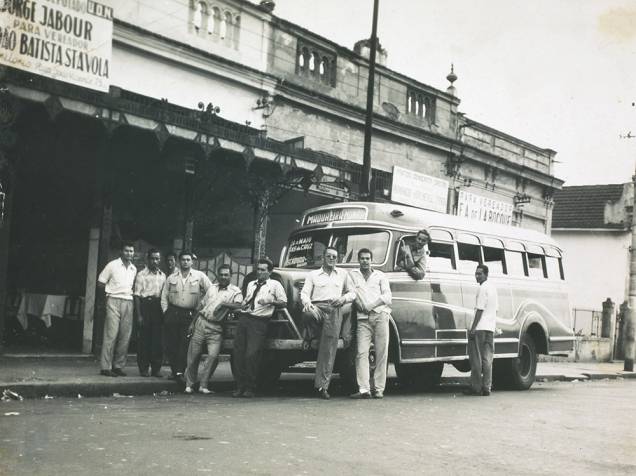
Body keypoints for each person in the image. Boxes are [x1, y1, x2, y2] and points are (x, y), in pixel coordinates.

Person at [232, 257, 287, 398]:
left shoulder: (275, 285)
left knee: (251, 354)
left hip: (259, 322)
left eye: (263, 270)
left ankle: (250, 387)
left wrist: (271, 301)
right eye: (258, 269)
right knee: (238, 354)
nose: (259, 272)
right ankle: (240, 386)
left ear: (270, 272)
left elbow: (284, 302)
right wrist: (242, 306)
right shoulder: (251, 284)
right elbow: (247, 299)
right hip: (244, 319)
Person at [184, 264, 243, 394]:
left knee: (213, 356)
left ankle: (203, 385)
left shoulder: (235, 291)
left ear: (230, 276)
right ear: (217, 275)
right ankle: (189, 384)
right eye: (221, 274)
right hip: (201, 322)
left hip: (217, 327)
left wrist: (224, 304)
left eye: (226, 275)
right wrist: (192, 324)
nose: (223, 277)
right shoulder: (211, 288)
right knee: (193, 356)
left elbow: (240, 305)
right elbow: (201, 307)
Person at [300, 247, 350, 400]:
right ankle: (309, 335)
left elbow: (352, 292)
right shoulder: (313, 274)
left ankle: (322, 386)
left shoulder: (343, 274)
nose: (331, 259)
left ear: (338, 259)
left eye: (334, 257)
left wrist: (343, 299)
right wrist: (308, 303)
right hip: (317, 307)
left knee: (328, 349)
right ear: (323, 258)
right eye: (328, 256)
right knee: (307, 313)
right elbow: (304, 293)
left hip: (334, 309)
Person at [345, 248, 392, 399]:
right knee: (361, 353)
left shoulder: (380, 275)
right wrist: (360, 306)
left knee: (381, 353)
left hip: (380, 316)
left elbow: (387, 296)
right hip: (362, 319)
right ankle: (364, 389)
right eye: (362, 258)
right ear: (358, 260)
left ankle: (378, 389)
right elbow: (351, 293)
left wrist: (370, 306)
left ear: (372, 260)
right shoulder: (353, 275)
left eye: (367, 258)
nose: (365, 261)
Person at [161, 251, 212, 381]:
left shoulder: (199, 276)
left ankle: (180, 371)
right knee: (172, 343)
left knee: (185, 344)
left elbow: (211, 291)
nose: (185, 262)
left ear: (192, 261)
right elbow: (164, 296)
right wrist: (166, 311)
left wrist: (202, 307)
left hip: (189, 314)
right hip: (173, 312)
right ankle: (174, 371)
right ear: (179, 261)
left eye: (188, 259)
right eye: (183, 259)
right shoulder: (172, 278)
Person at [97, 241, 137, 377]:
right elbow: (101, 282)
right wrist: (108, 296)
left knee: (125, 336)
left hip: (128, 302)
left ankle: (118, 366)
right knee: (111, 334)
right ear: (122, 252)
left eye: (131, 251)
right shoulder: (112, 265)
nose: (129, 254)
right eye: (127, 251)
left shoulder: (133, 269)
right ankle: (105, 367)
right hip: (113, 300)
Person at [465, 264, 498, 396]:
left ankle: (476, 387)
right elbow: (495, 309)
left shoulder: (482, 288)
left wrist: (473, 328)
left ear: (486, 274)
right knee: (488, 358)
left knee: (476, 358)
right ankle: (487, 387)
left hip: (480, 328)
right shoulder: (493, 289)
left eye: (480, 274)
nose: (477, 276)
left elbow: (480, 309)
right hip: (490, 328)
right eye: (476, 273)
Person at [133, 249, 166, 377]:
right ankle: (143, 368)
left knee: (157, 340)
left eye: (157, 258)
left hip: (158, 307)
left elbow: (165, 295)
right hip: (145, 306)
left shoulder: (163, 275)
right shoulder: (141, 275)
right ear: (148, 259)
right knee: (144, 340)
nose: (155, 261)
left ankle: (156, 369)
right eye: (152, 258)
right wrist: (139, 315)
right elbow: (137, 295)